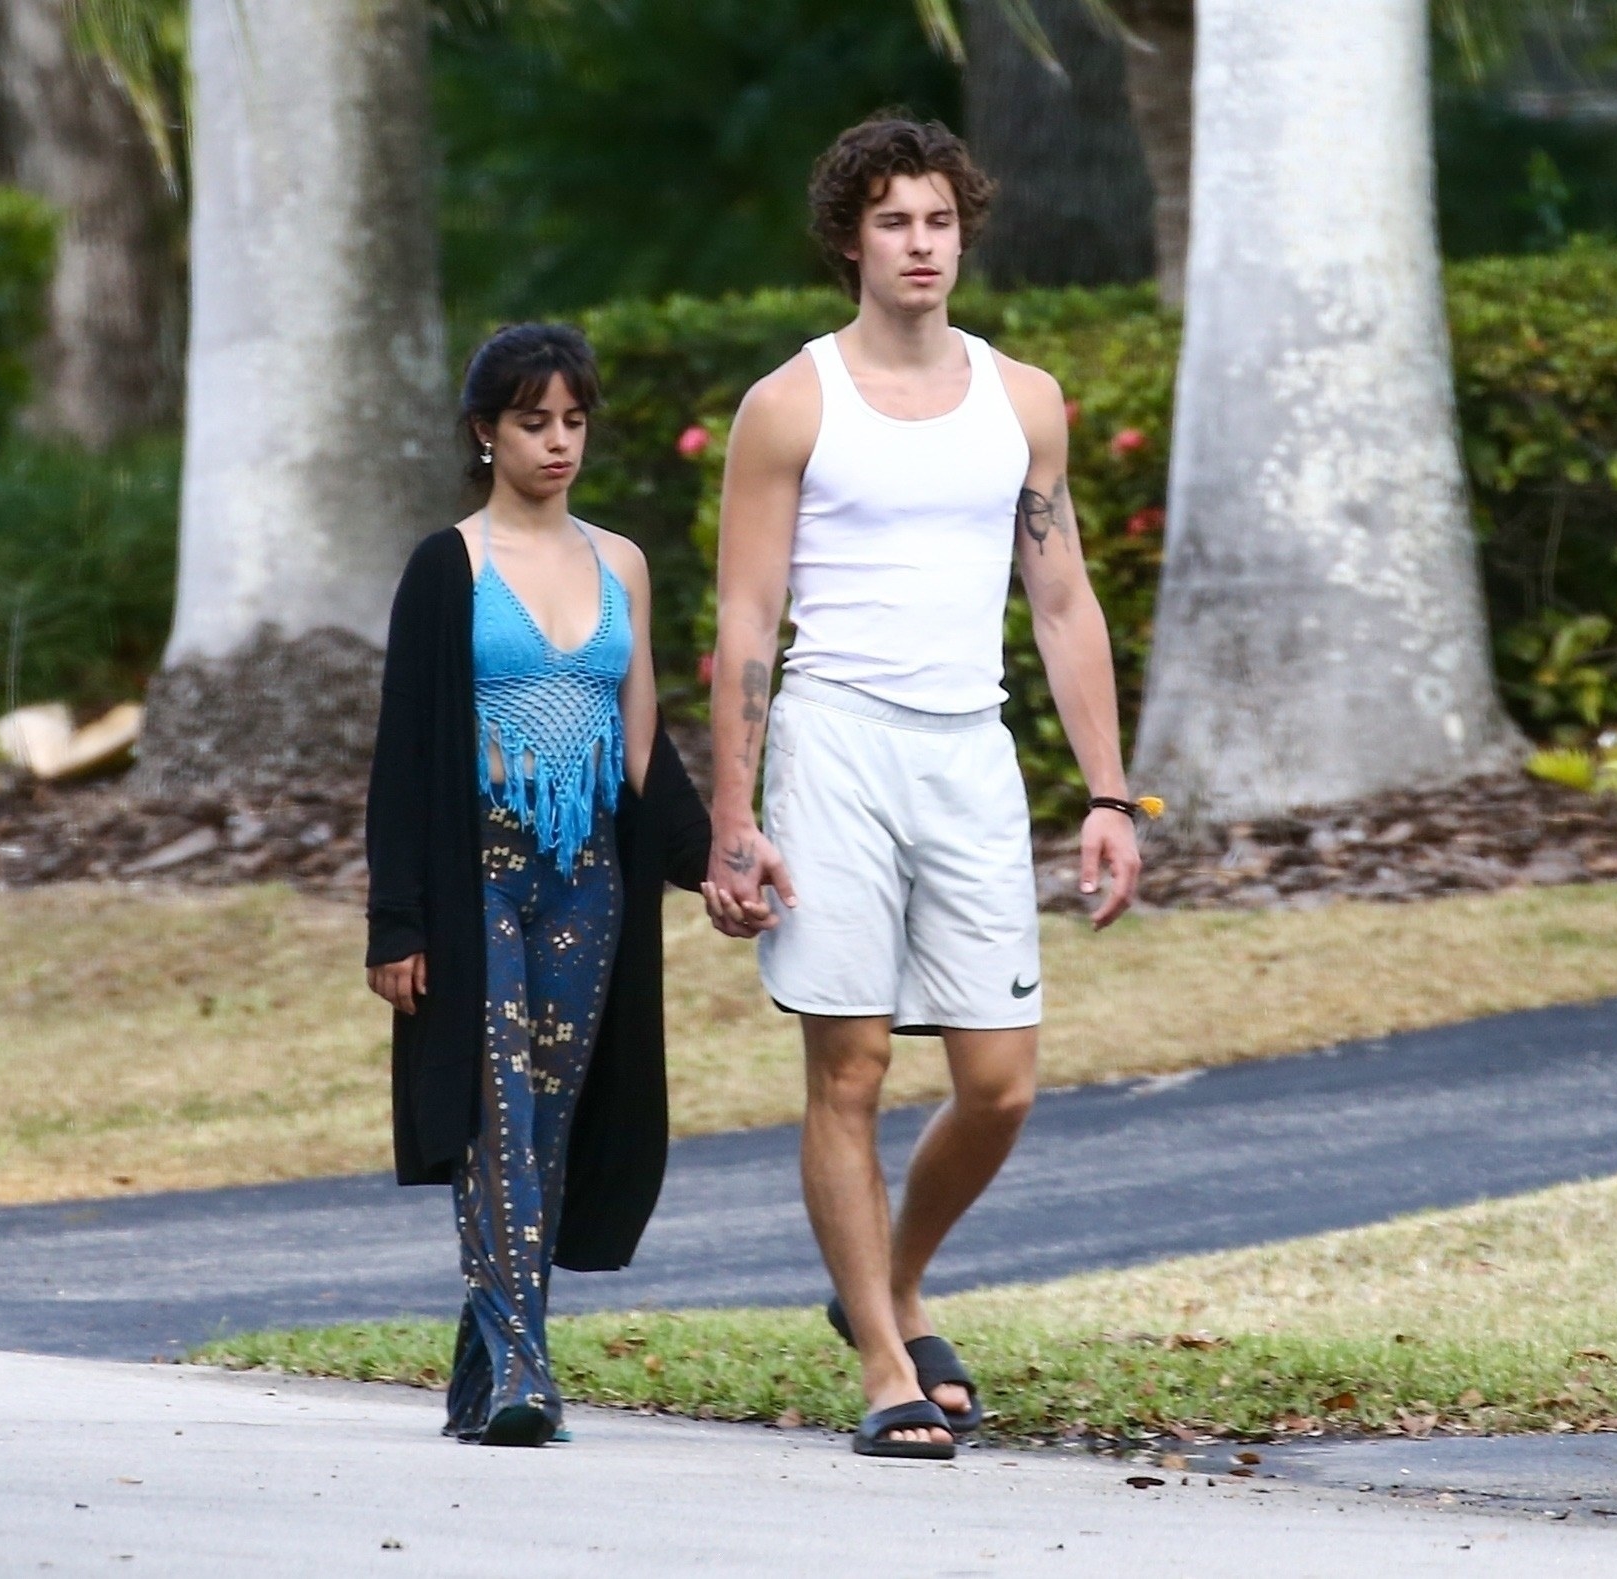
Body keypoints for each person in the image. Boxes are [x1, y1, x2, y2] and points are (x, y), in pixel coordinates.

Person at [700, 117, 1145, 1460]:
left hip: (970, 748)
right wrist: (733, 814)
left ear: (965, 232)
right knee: (851, 1064)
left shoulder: (1024, 400)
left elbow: (1062, 601)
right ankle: (887, 1361)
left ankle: (883, 1280)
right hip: (833, 744)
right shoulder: (792, 403)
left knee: (1000, 1080)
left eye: (939, 220)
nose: (921, 244)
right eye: (893, 221)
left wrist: (1113, 796)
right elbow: (745, 619)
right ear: (851, 238)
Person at [364, 324, 711, 1448]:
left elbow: (642, 746)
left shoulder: (622, 564)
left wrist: (715, 860)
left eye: (572, 421)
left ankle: (487, 1356)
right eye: (531, 422)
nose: (557, 443)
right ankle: (523, 1368)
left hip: (589, 881)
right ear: (485, 432)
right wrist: (396, 921)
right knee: (494, 1115)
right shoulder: (448, 565)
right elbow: (404, 753)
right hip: (479, 874)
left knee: (550, 1124)